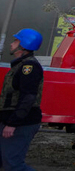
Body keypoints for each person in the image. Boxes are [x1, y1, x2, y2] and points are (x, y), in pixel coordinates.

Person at [0, 28, 44, 171]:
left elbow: (28, 97)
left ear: (23, 45)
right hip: (9, 120)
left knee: (13, 165)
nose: (12, 44)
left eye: (15, 41)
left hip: (21, 123)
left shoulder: (29, 67)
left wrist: (13, 124)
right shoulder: (19, 65)